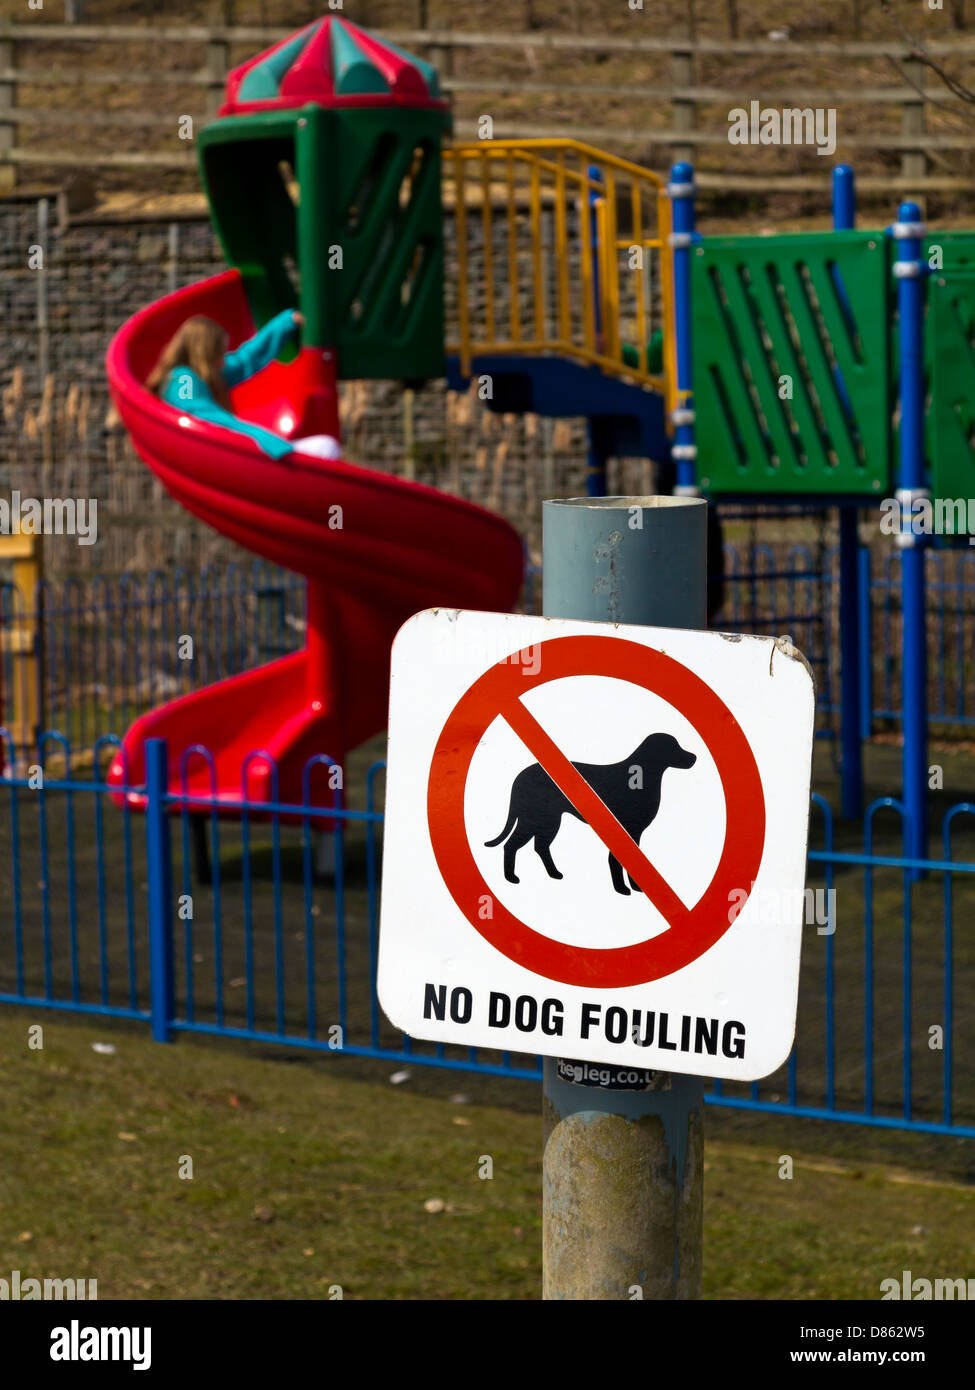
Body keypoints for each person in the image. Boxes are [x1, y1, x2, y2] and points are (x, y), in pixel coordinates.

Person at [145, 310, 343, 461]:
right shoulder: (183, 379)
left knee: (325, 447)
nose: (223, 360)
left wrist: (286, 322)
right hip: (226, 455)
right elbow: (199, 413)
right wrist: (265, 440)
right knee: (326, 447)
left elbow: (247, 358)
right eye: (218, 353)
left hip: (233, 451)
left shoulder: (210, 374)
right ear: (204, 352)